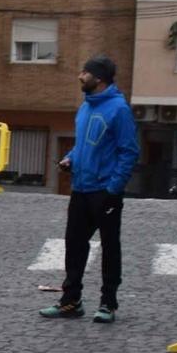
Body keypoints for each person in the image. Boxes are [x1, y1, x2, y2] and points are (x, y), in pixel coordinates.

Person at [40, 55, 139, 325]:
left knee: (109, 248)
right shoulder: (85, 107)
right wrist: (70, 158)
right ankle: (71, 301)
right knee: (74, 245)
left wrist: (113, 188)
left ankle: (108, 303)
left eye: (85, 72)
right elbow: (84, 144)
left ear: (100, 78)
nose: (79, 76)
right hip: (80, 188)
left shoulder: (119, 109)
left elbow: (129, 152)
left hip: (104, 191)